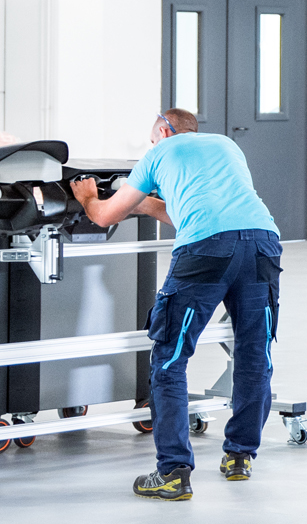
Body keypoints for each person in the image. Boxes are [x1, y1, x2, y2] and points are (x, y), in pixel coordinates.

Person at [71, 109, 283, 502]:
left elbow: (103, 216)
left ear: (164, 130)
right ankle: (239, 456)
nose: (152, 145)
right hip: (262, 242)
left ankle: (173, 472)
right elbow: (206, 212)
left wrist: (87, 197)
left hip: (204, 251)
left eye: (153, 138)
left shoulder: (157, 154)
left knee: (170, 359)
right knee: (254, 354)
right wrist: (146, 205)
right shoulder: (226, 146)